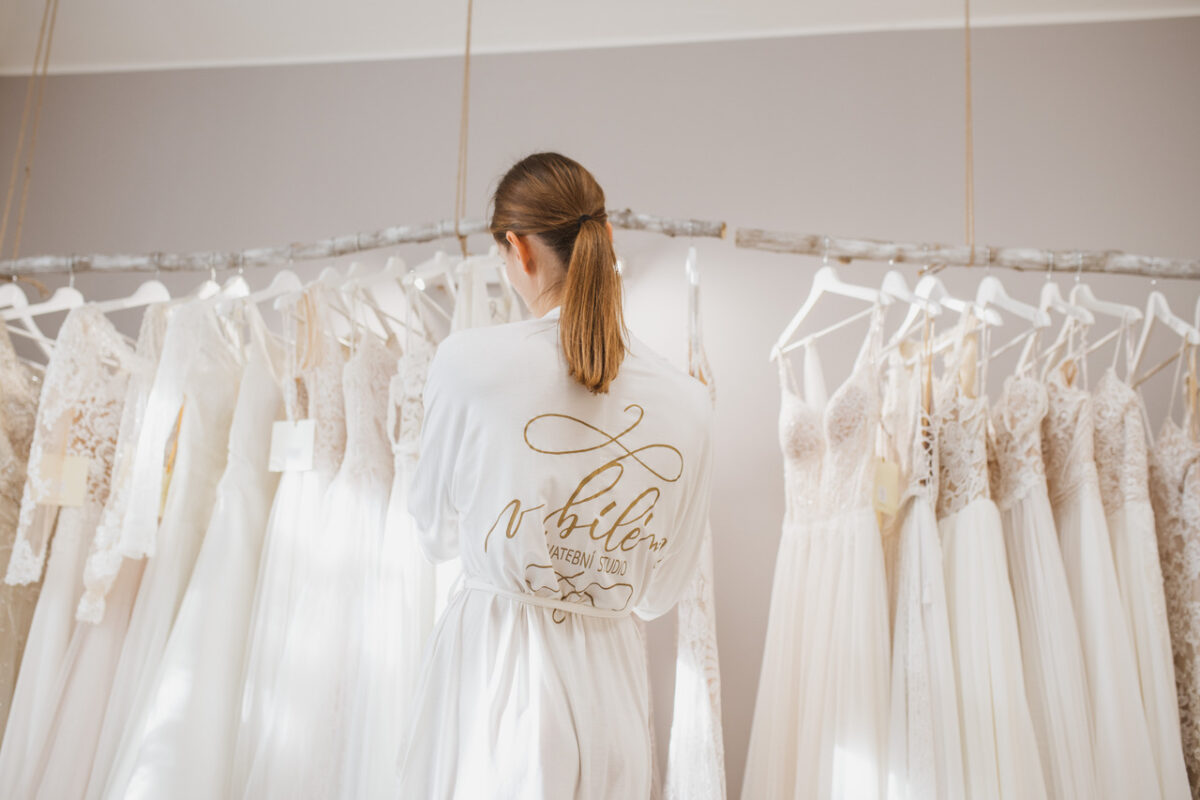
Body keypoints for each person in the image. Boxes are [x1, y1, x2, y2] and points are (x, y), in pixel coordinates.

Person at [395, 152, 715, 799]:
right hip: (611, 688)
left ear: (517, 249)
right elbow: (659, 594)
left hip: (495, 670)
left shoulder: (468, 364)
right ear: (604, 239)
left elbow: (435, 535)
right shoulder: (687, 400)